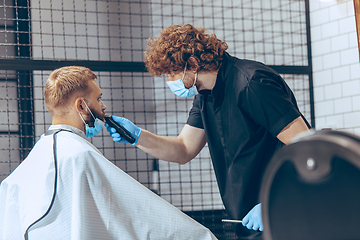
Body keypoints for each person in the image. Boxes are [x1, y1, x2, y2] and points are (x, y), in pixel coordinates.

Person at [106, 24, 311, 240]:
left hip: (284, 216)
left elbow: (306, 147)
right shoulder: (204, 96)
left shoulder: (252, 83)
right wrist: (138, 136)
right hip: (249, 223)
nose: (169, 81)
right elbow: (184, 149)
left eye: (172, 72)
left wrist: (275, 199)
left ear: (193, 63)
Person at [0, 66, 217, 240]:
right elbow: (139, 213)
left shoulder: (36, 158)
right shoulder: (78, 155)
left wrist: (138, 135)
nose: (103, 107)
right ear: (82, 106)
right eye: (98, 98)